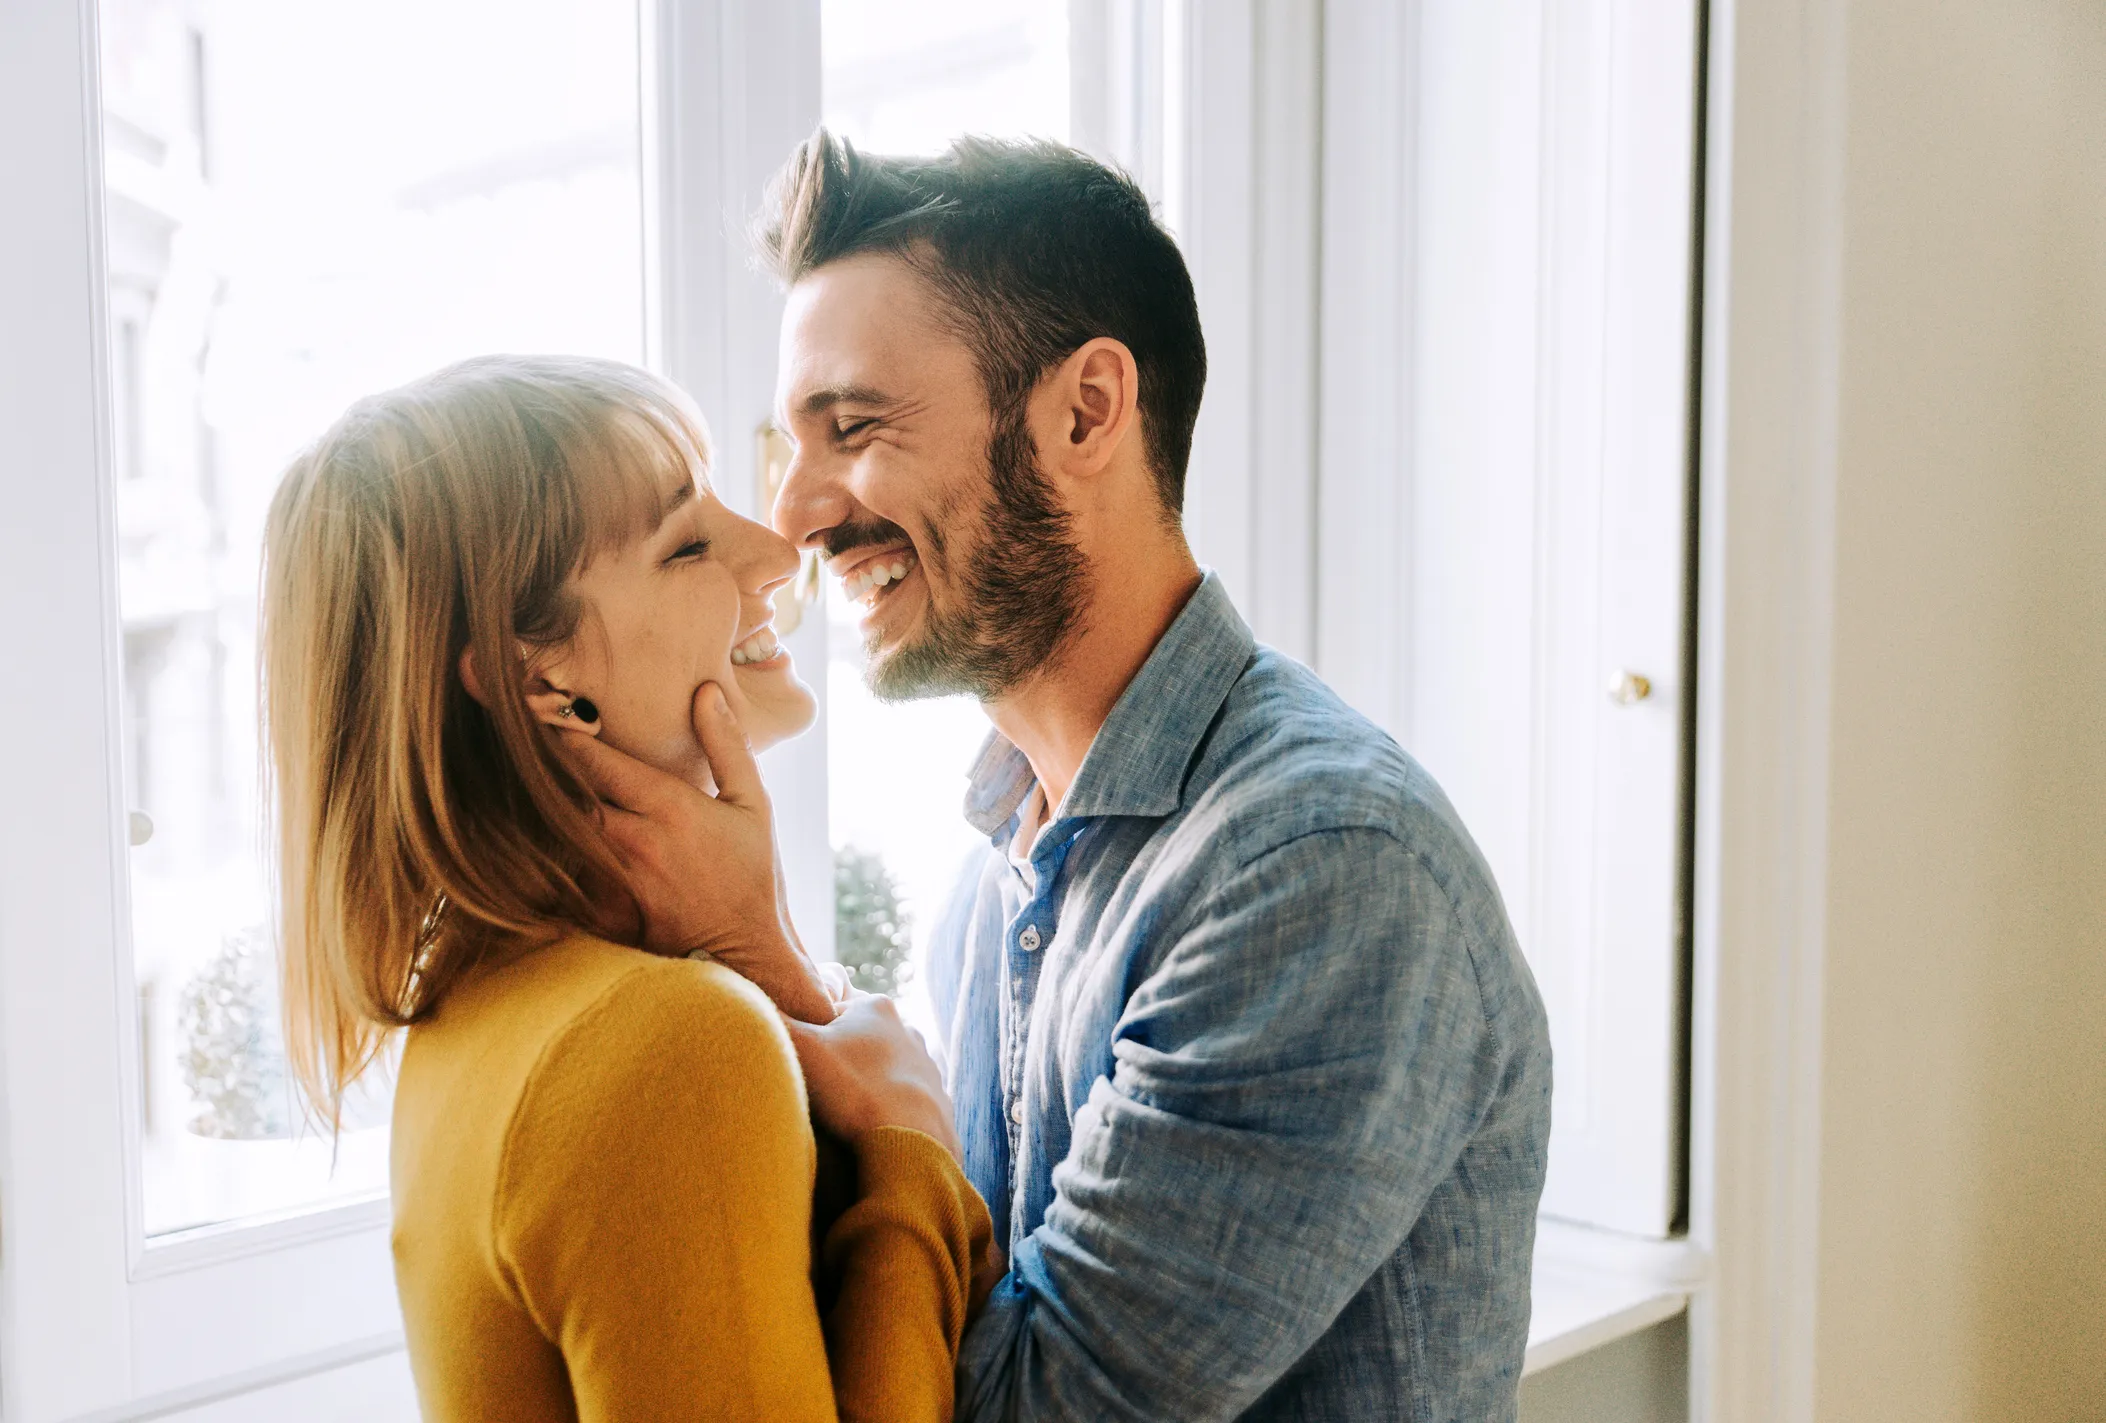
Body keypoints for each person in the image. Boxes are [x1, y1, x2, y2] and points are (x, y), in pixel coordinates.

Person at [583, 131, 1558, 1421]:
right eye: (790, 445)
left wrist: (754, 950)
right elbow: (955, 1318)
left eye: (855, 428)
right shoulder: (994, 882)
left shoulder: (1320, 871)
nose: (798, 514)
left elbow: (1026, 1407)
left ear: (1087, 411)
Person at [260, 354, 992, 1423]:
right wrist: (914, 1162)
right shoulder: (663, 1044)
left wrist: (766, 952)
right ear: (533, 679)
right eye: (687, 542)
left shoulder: (480, 1010)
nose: (777, 551)